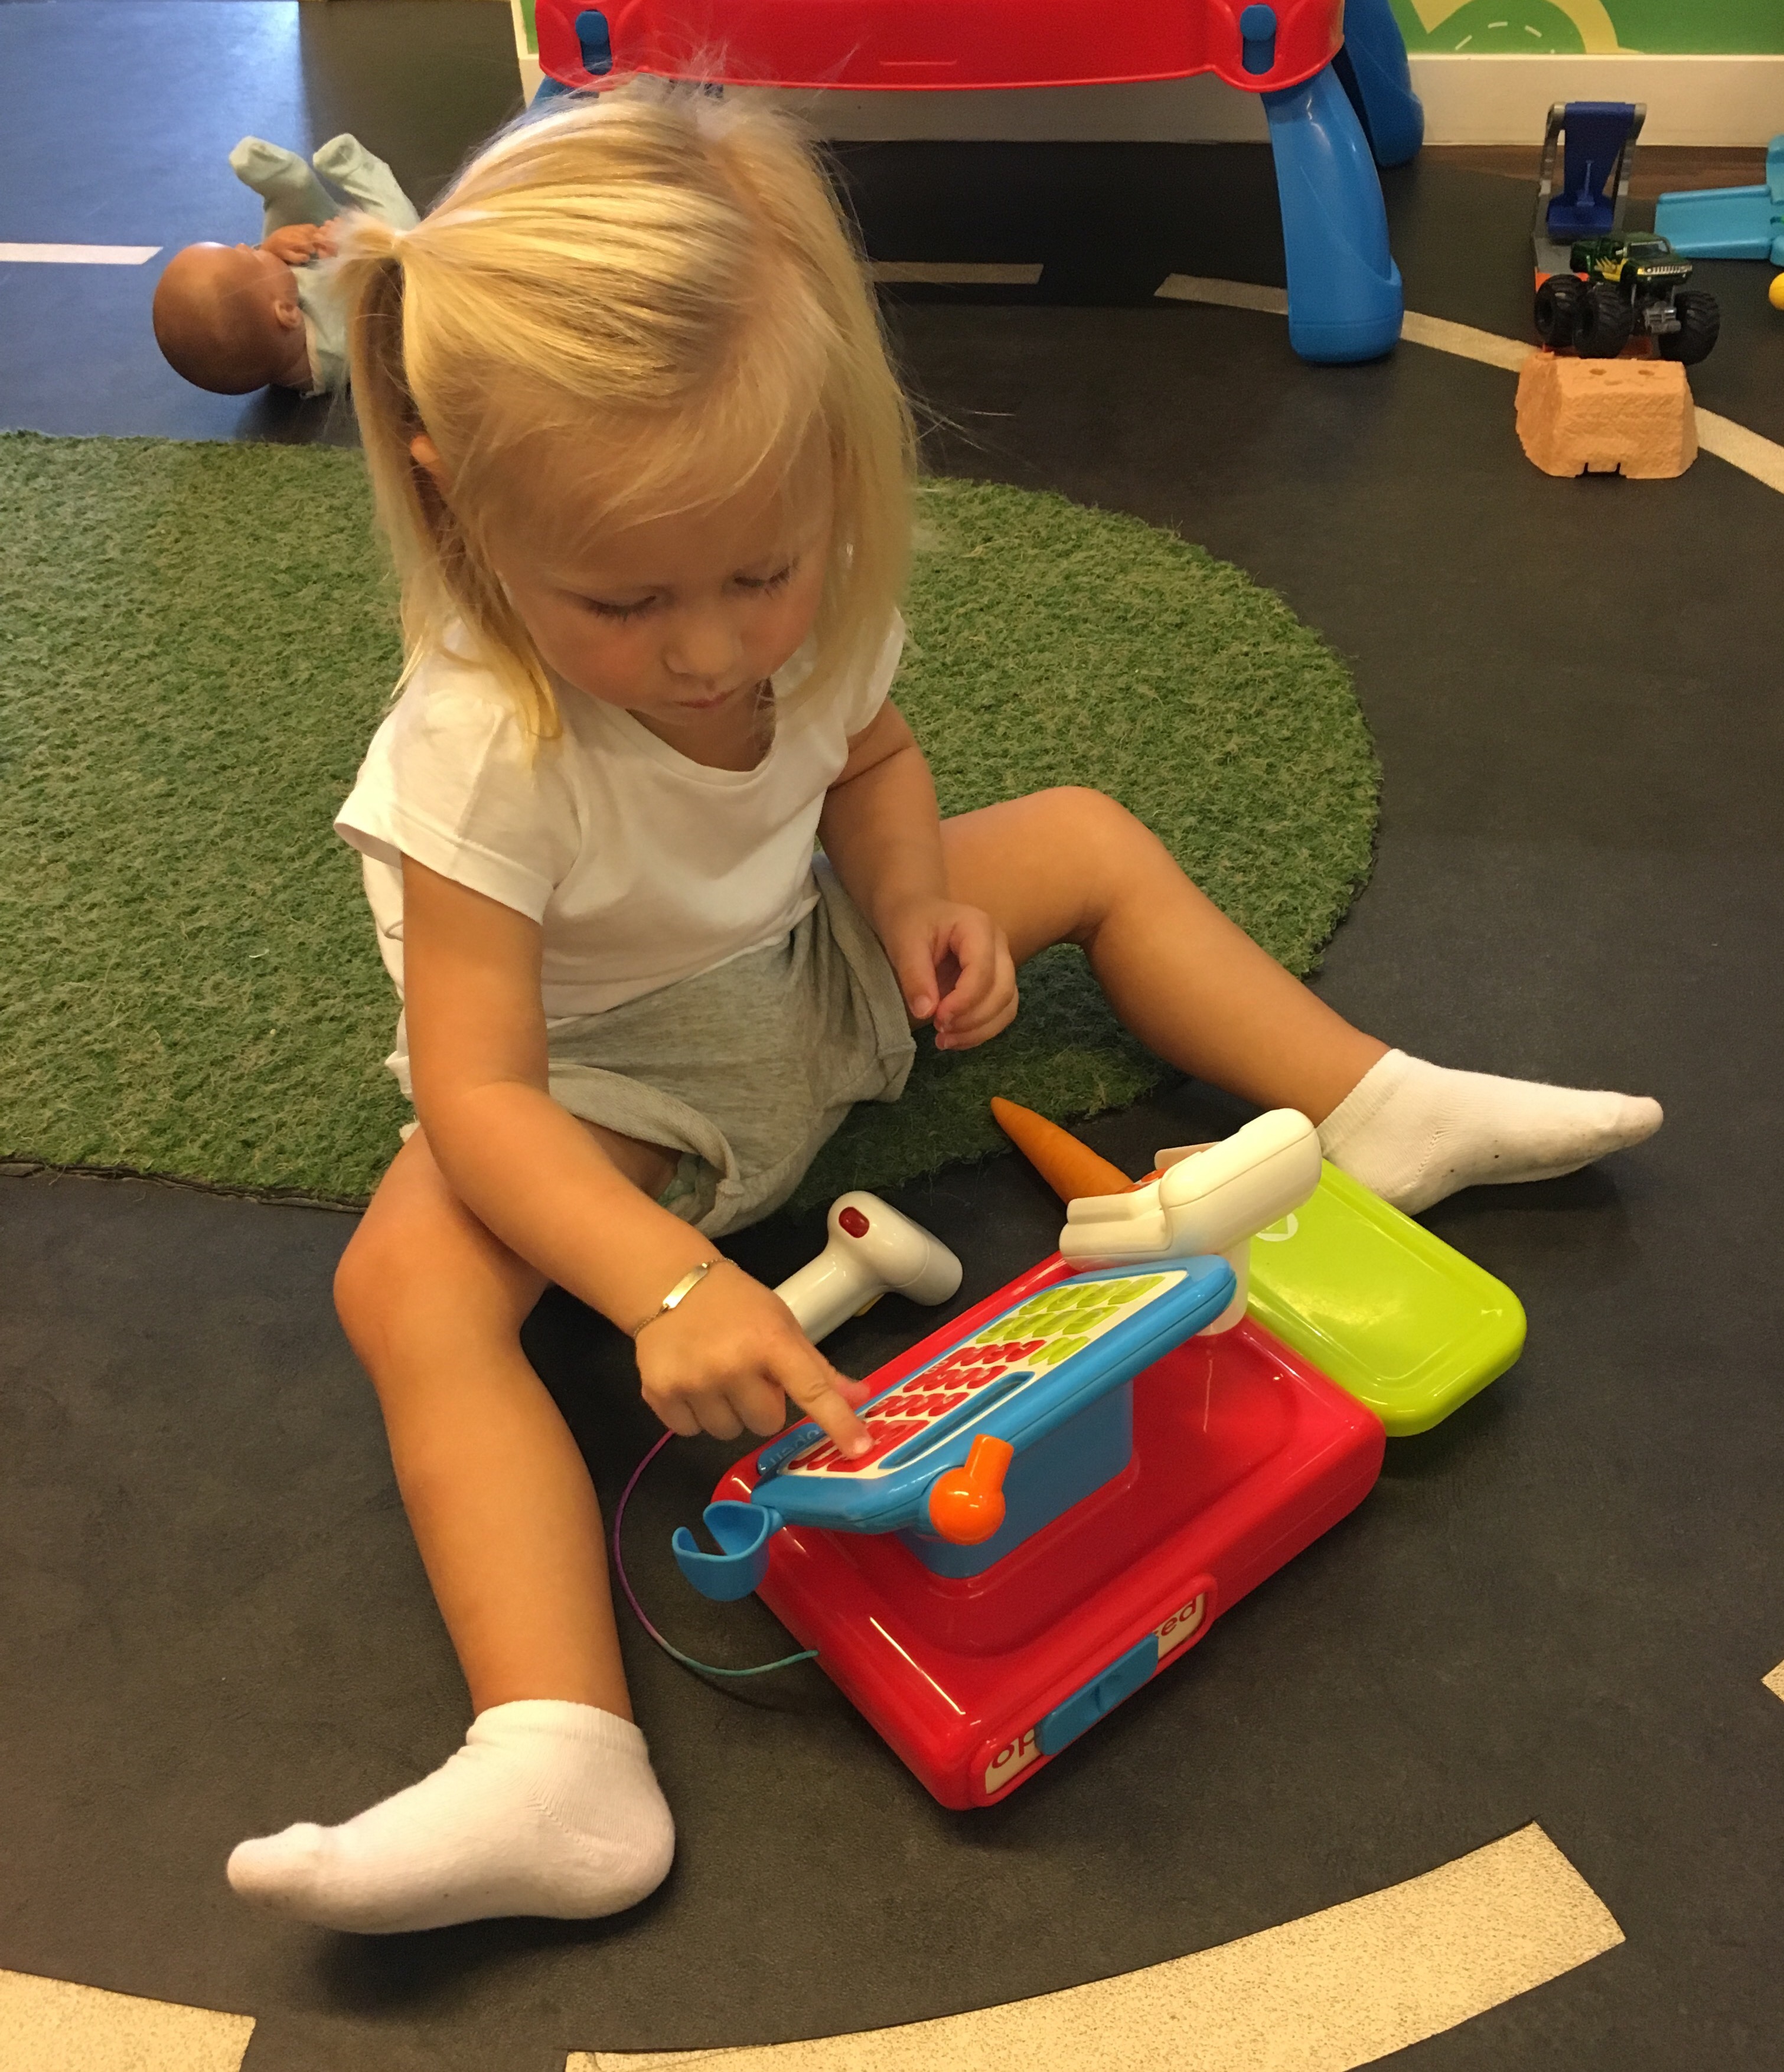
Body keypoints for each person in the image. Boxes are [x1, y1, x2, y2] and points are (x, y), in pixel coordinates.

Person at [224, 83, 1662, 1935]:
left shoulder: (806, 590)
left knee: (1080, 837)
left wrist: (914, 902)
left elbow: (868, 756)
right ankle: (557, 1749)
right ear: (452, 490)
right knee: (405, 1286)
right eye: (625, 599)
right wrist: (666, 1284)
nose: (711, 648)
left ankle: (1375, 1105)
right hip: (609, 1092)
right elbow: (479, 1086)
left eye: (757, 572)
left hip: (810, 974)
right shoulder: (480, 742)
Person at [152, 135, 417, 396]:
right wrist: (349, 246)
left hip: (306, 272)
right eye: (251, 257)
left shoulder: (269, 335)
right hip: (373, 285)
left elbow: (260, 283)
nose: (245, 246)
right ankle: (364, 172)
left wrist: (269, 250)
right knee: (403, 240)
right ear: (287, 313)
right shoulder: (338, 347)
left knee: (287, 236)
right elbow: (381, 292)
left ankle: (292, 185)